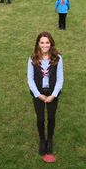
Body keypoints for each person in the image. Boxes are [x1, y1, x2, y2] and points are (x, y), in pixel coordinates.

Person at [27, 32, 63, 162]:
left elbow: (60, 79)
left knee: (51, 117)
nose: (44, 45)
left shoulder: (58, 58)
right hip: (38, 93)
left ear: (51, 43)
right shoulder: (32, 59)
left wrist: (53, 95)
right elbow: (30, 80)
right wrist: (39, 95)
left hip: (53, 92)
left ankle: (50, 138)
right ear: (38, 44)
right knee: (41, 117)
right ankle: (42, 139)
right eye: (42, 42)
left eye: (47, 42)